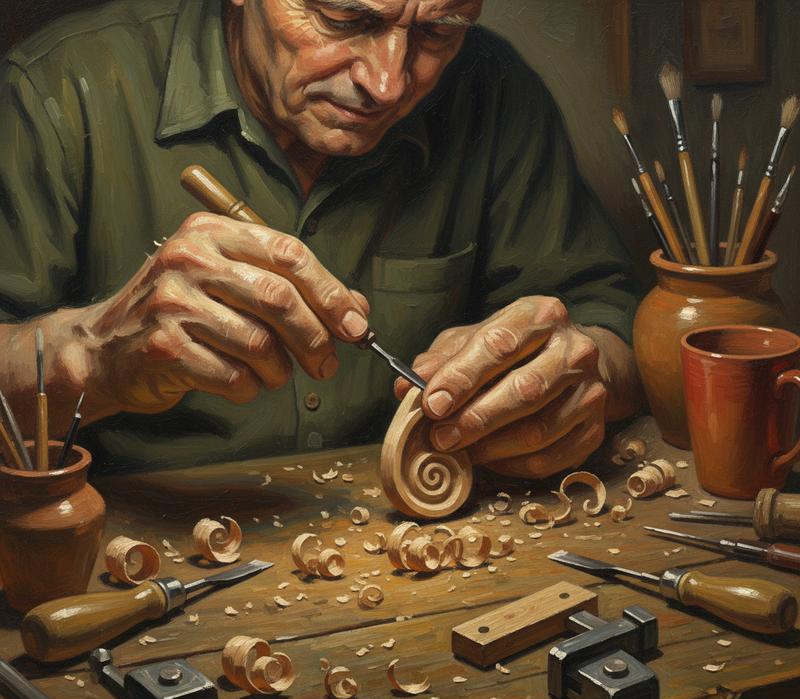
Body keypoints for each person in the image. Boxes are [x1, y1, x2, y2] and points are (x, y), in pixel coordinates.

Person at [0, 0, 642, 474]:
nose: (389, 83)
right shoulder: (55, 93)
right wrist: (94, 357)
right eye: (344, 18)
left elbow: (609, 325)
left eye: (437, 31)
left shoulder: (497, 91)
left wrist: (578, 375)